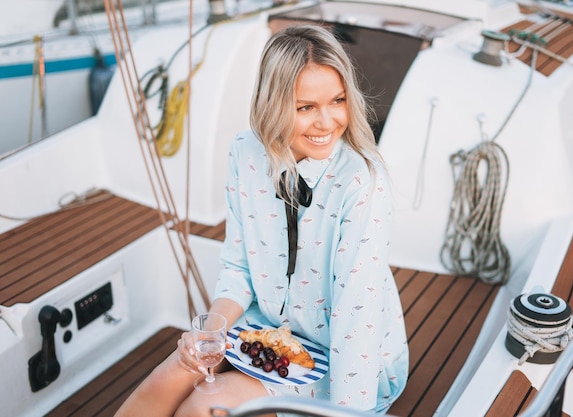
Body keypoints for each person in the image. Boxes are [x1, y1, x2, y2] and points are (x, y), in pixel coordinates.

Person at [115, 24, 408, 417]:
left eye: (337, 101)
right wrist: (210, 332)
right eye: (306, 107)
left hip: (340, 355)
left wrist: (348, 413)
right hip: (264, 332)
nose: (327, 122)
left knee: (204, 406)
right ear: (274, 103)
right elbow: (238, 267)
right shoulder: (245, 153)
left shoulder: (361, 181)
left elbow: (357, 314)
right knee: (166, 379)